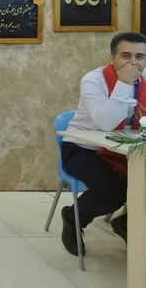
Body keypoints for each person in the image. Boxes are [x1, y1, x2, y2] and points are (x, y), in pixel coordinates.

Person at [60, 31, 146, 256]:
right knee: (112, 192)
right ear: (112, 58)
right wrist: (124, 83)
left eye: (139, 57)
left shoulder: (145, 80)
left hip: (126, 149)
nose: (133, 63)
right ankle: (72, 218)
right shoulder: (93, 80)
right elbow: (106, 123)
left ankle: (125, 222)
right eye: (126, 56)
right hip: (83, 149)